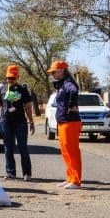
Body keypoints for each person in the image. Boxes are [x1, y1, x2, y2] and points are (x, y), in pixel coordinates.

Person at [0, 65, 35, 180]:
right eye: (8, 78)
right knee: (8, 147)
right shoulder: (2, 89)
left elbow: (28, 106)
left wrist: (31, 121)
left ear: (17, 77)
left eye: (13, 78)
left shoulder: (23, 90)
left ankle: (27, 173)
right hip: (5, 122)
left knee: (22, 147)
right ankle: (11, 173)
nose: (10, 80)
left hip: (20, 122)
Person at [47, 60, 82, 189]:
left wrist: (71, 105)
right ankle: (70, 178)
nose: (52, 75)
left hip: (70, 122)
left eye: (53, 72)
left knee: (72, 151)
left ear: (61, 71)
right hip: (63, 122)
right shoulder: (62, 84)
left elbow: (74, 90)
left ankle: (76, 181)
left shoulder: (68, 83)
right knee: (65, 151)